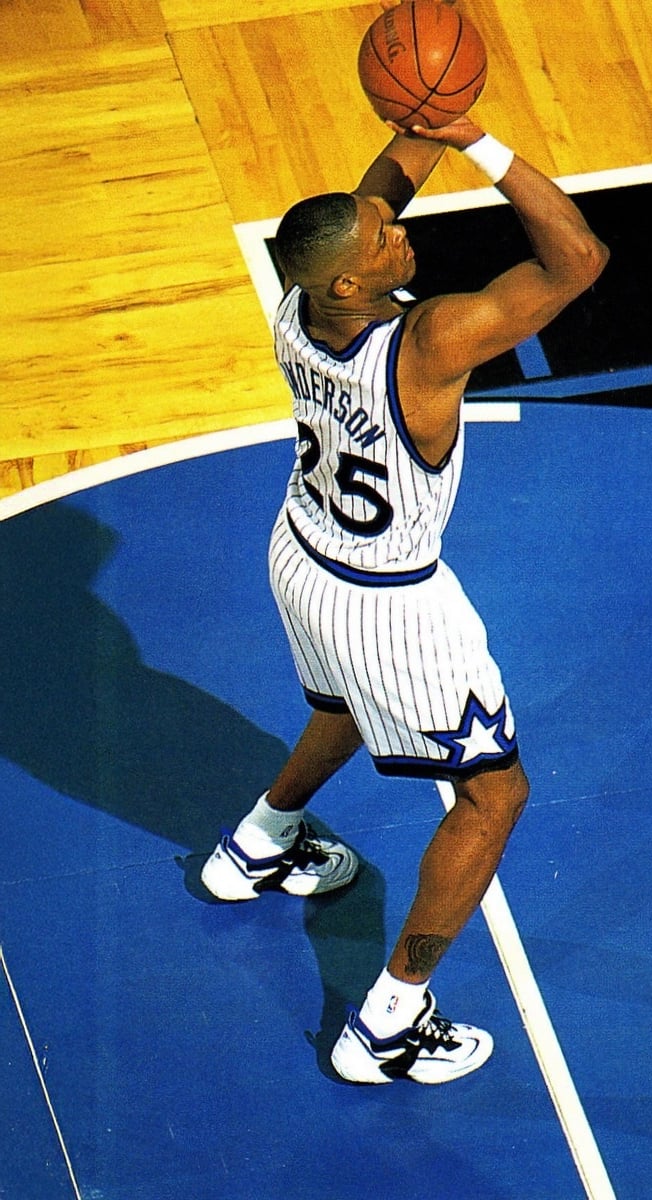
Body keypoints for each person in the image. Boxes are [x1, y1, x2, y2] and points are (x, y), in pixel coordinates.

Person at [201, 108, 609, 1085]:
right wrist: (483, 143)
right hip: (391, 606)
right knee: (491, 797)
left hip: (302, 550)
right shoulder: (426, 343)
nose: (396, 225)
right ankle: (391, 1015)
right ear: (354, 279)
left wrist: (425, 115)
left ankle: (257, 842)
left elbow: (374, 191)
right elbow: (577, 262)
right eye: (382, 236)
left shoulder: (300, 303)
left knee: (340, 708)